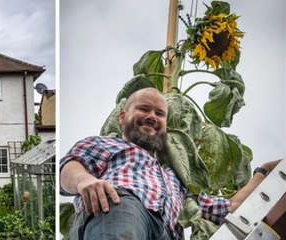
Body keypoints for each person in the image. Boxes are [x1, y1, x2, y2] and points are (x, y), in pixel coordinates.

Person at [60, 87, 281, 239]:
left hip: (167, 231)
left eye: (159, 113)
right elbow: (71, 167)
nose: (152, 116)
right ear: (122, 117)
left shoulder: (176, 177)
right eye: (143, 109)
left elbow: (231, 207)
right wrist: (85, 182)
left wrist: (263, 171)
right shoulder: (107, 144)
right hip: (120, 208)